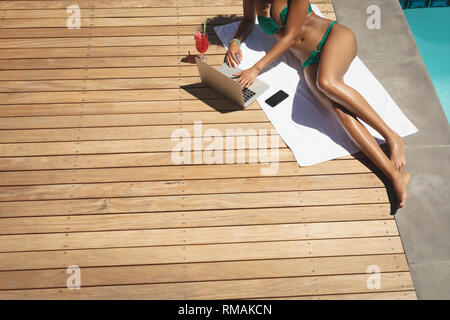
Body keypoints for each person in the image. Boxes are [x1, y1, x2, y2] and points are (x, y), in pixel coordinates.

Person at [225, 0, 410, 208]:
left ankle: (392, 136)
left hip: (333, 37)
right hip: (309, 62)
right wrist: (235, 41)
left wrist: (256, 68)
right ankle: (393, 175)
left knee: (326, 82)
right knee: (340, 114)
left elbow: (292, 35)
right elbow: (249, 20)